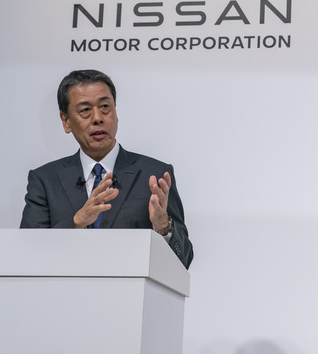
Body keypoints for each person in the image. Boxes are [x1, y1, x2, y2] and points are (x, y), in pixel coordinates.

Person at [20, 69, 194, 268]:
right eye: (85, 110)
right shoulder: (45, 180)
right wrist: (76, 222)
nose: (98, 118)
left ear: (116, 114)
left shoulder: (154, 175)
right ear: (66, 121)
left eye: (105, 107)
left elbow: (183, 261)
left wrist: (164, 227)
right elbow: (28, 251)